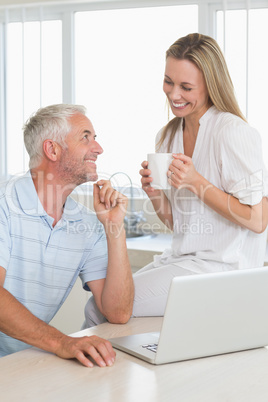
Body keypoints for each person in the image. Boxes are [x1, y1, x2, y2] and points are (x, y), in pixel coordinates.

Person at [84, 32, 268, 326]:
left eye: (186, 86)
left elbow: (258, 221)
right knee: (106, 302)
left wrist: (195, 182)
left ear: (211, 85)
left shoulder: (233, 132)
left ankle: (90, 367)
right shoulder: (168, 136)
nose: (174, 94)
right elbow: (179, 224)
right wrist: (155, 193)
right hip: (182, 260)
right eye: (169, 82)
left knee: (100, 306)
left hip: (222, 270)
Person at [0, 104, 134, 367]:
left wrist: (114, 228)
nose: (98, 148)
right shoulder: (5, 203)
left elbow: (118, 312)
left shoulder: (86, 223)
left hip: (20, 366)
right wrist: (63, 342)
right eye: (86, 137)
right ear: (52, 150)